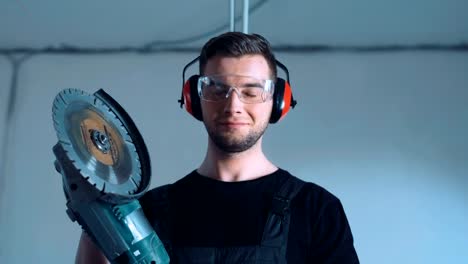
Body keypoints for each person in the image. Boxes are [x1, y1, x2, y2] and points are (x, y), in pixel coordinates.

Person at [76, 32, 359, 263]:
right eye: (217, 89)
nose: (233, 105)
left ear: (278, 102)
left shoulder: (316, 210)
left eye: (251, 91)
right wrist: (95, 205)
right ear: (194, 100)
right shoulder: (152, 211)